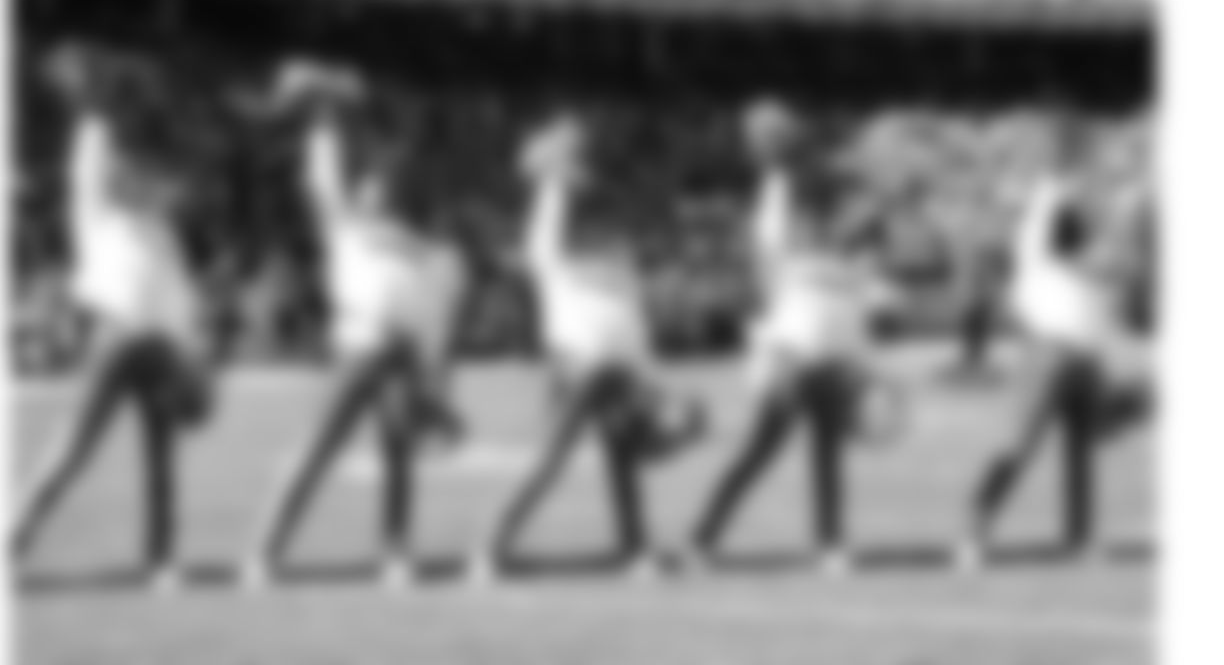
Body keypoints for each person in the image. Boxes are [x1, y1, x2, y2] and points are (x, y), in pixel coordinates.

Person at [243, 60, 469, 590]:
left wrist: (437, 382)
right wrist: (323, 119)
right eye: (373, 182)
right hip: (360, 343)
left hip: (406, 355)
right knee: (319, 447)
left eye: (385, 184)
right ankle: (263, 552)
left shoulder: (434, 250)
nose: (376, 189)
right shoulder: (348, 225)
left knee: (398, 454)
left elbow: (442, 319)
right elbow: (322, 179)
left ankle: (395, 554)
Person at [468, 110, 705, 584]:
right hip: (577, 360)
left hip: (620, 364)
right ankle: (489, 550)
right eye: (579, 173)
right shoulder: (551, 239)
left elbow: (631, 313)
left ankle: (636, 551)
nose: (588, 185)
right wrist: (554, 169)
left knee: (624, 460)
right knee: (550, 461)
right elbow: (545, 217)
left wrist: (651, 379)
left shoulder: (614, 246)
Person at [11, 44, 215, 591]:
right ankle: (10, 541)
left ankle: (162, 559)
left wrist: (189, 333)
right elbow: (131, 183)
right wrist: (164, 177)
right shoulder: (98, 142)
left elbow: (167, 219)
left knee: (159, 449)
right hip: (120, 319)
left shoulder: (147, 204)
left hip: (156, 326)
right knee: (76, 445)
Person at [685, 99, 906, 576]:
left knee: (825, 450)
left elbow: (851, 266)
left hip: (828, 344)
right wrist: (768, 341)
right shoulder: (780, 197)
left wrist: (861, 333)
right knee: (761, 449)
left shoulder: (816, 207)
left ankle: (830, 545)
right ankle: (702, 540)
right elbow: (771, 268)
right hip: (794, 344)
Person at [958, 117, 1156, 570]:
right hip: (1046, 352)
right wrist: (1063, 169)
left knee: (1081, 454)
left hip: (1086, 356)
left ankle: (1079, 540)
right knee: (1017, 445)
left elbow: (1110, 237)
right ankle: (974, 530)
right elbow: (1053, 205)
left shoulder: (1089, 265)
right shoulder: (1043, 249)